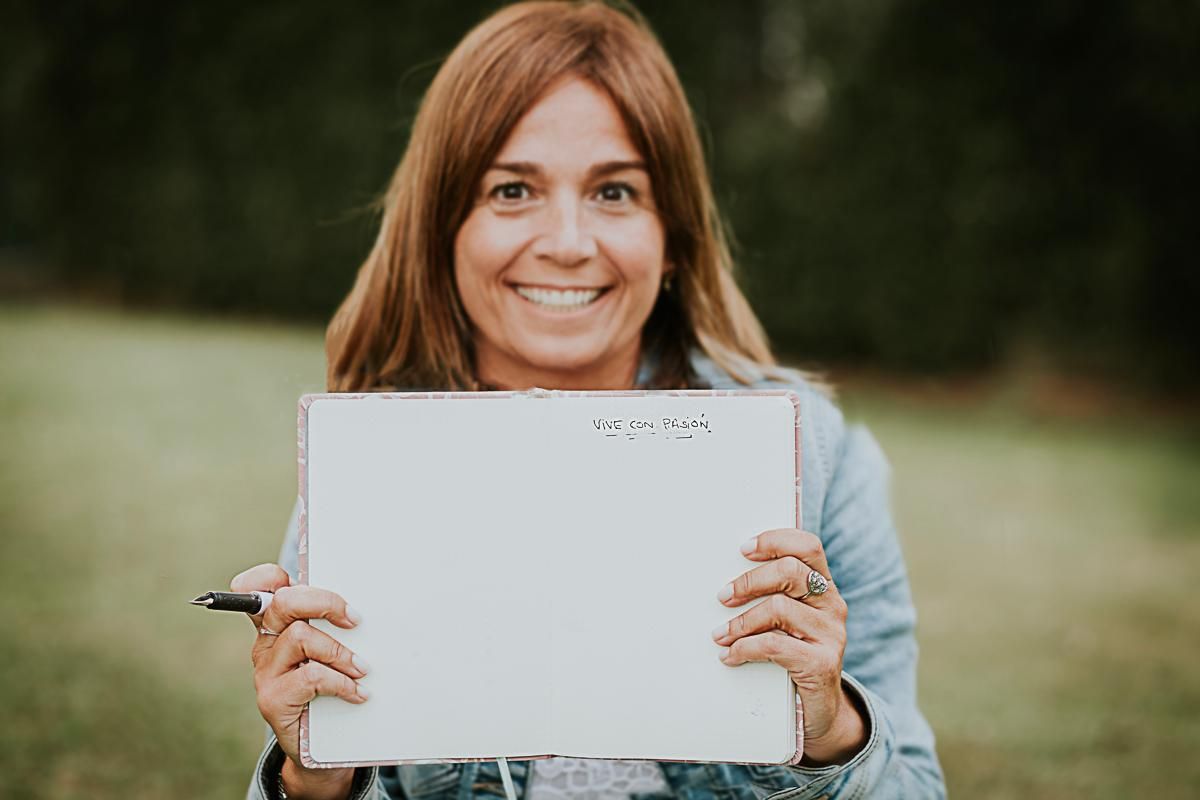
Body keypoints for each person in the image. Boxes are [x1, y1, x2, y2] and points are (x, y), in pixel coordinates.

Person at [234, 2, 945, 798]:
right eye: (511, 190)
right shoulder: (370, 459)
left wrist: (832, 730)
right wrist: (312, 774)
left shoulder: (814, 456)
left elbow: (915, 787)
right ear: (443, 230)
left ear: (672, 234)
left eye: (614, 193)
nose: (569, 242)